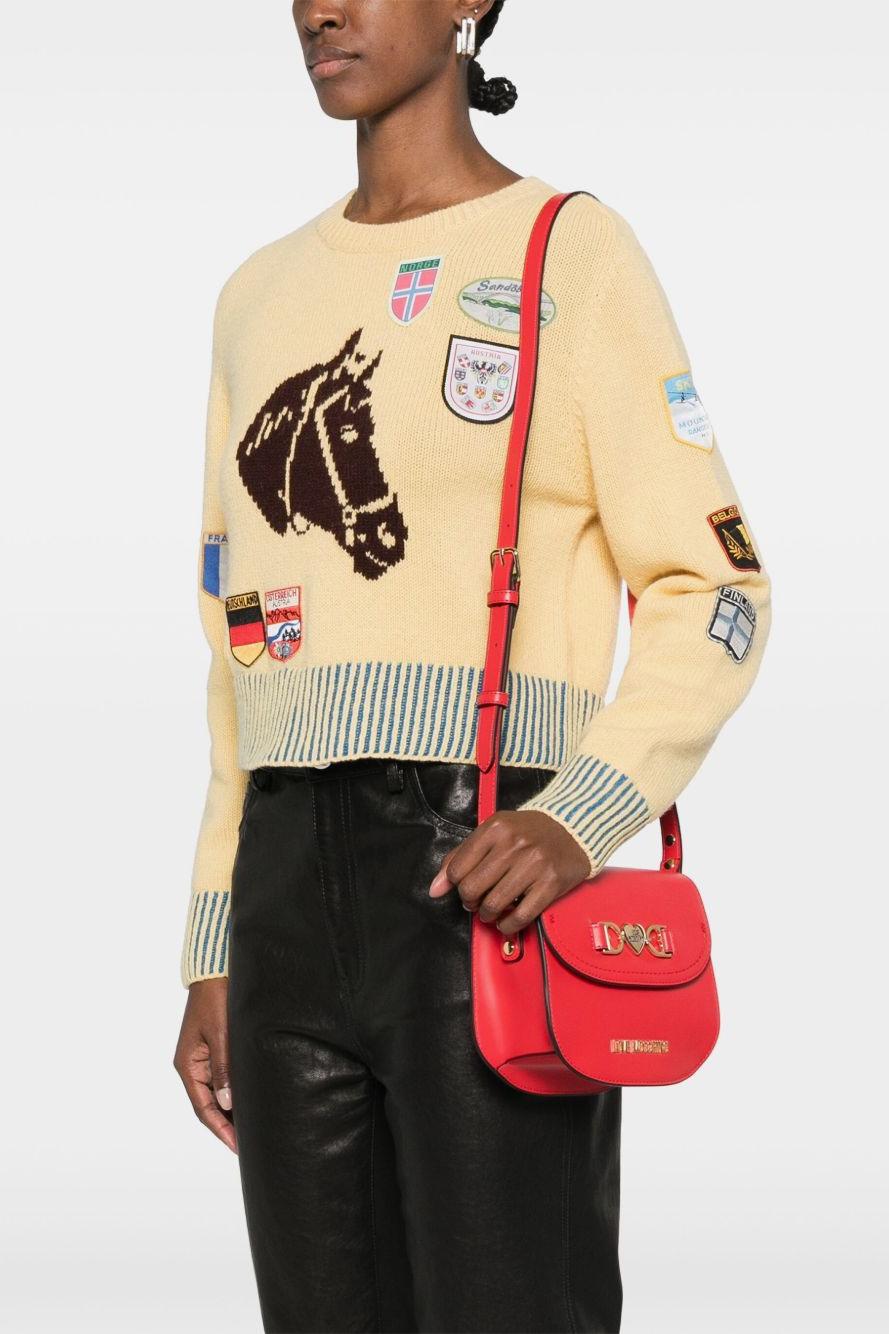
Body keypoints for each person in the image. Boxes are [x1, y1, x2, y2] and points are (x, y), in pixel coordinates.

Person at [173, 3, 771, 1331]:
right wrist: (213, 940)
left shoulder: (571, 253)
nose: (319, 9)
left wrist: (582, 810)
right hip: (280, 898)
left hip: (485, 870)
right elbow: (234, 662)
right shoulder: (255, 297)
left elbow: (716, 585)